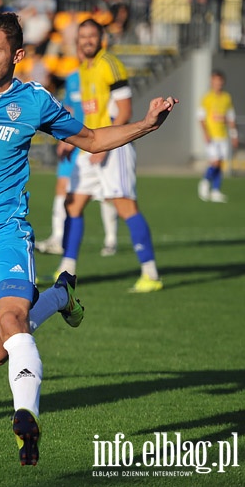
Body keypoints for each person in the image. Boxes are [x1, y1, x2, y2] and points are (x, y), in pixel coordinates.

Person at [0, 11, 176, 466]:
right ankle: (60, 296)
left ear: (18, 55)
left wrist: (146, 125)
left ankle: (26, 417)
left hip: (6, 233)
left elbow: (89, 138)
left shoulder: (34, 102)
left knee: (12, 323)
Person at [54, 18, 165, 293]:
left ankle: (151, 275)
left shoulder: (110, 64)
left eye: (92, 35)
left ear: (101, 38)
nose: (87, 40)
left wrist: (106, 148)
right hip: (92, 146)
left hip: (113, 147)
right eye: (83, 37)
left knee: (125, 207)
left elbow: (125, 110)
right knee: (73, 204)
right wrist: (72, 141)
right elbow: (87, 113)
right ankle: (66, 271)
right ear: (77, 42)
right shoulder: (84, 69)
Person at [35, 50, 119, 257]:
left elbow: (110, 110)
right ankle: (58, 237)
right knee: (63, 186)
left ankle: (111, 240)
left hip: (94, 139)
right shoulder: (73, 78)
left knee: (107, 194)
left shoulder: (101, 75)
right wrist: (65, 138)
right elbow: (69, 110)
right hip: (74, 141)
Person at [197, 70, 238, 203]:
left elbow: (231, 117)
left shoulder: (226, 97)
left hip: (223, 135)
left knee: (220, 164)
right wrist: (206, 134)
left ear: (223, 82)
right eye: (215, 81)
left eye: (219, 81)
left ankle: (215, 191)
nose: (217, 83)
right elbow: (201, 118)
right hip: (212, 135)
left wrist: (234, 134)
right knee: (214, 161)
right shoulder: (207, 98)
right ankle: (204, 182)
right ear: (211, 82)